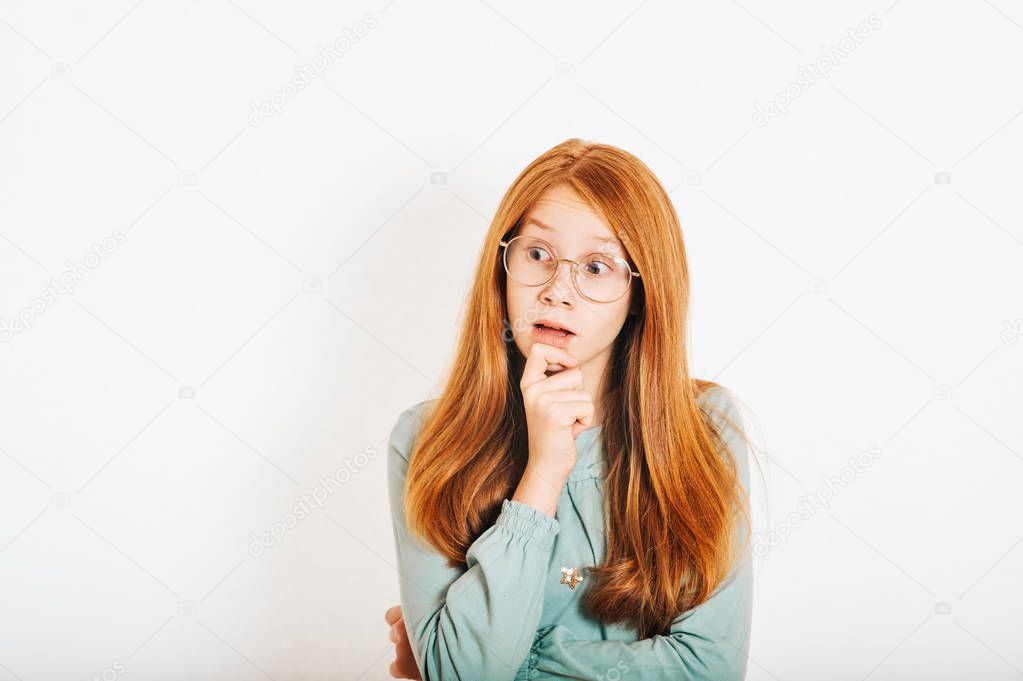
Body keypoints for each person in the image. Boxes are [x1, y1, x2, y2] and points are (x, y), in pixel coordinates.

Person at [383, 138, 755, 680]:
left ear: (642, 294)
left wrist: (518, 663)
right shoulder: (424, 437)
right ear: (503, 265)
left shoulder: (707, 427)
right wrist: (543, 472)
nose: (557, 291)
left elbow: (708, 670)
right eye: (537, 254)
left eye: (598, 267)